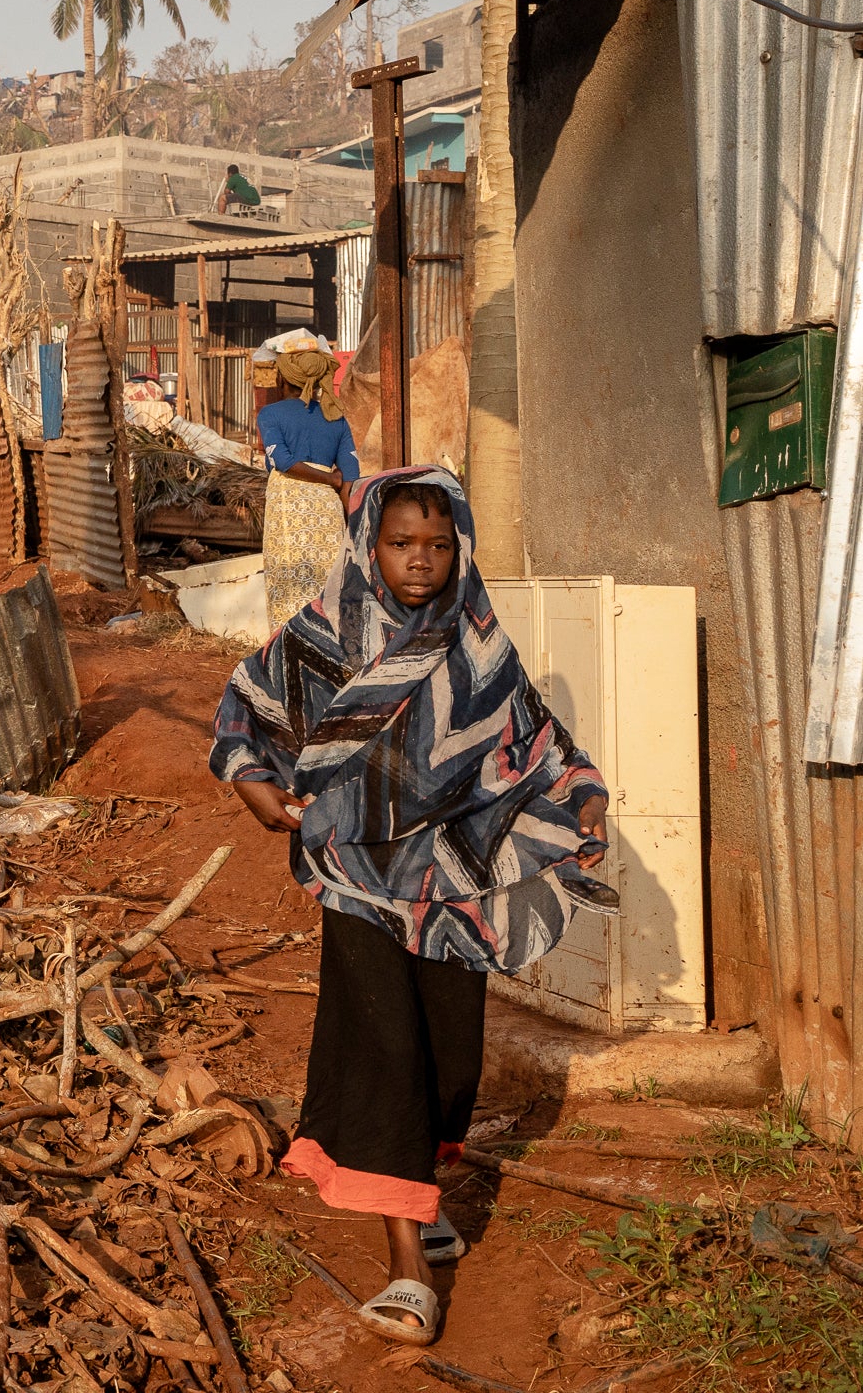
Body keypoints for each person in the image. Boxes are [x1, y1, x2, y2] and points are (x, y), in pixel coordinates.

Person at [212, 469, 611, 1347]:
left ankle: (421, 1188)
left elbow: (542, 746)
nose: (421, 561)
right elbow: (247, 708)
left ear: (458, 545)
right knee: (386, 1048)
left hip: (450, 887)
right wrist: (253, 782)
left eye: (438, 544)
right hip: (354, 873)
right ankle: (407, 1264)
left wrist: (580, 797)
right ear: (368, 545)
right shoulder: (324, 635)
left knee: (451, 1056)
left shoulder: (480, 645)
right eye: (401, 544)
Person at [256, 348, 357, 625]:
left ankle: (290, 649)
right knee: (329, 584)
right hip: (328, 511)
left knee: (289, 588)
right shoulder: (336, 418)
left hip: (289, 508)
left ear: (282, 381)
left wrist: (329, 479)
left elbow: (284, 462)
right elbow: (349, 478)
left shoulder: (270, 414)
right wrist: (352, 527)